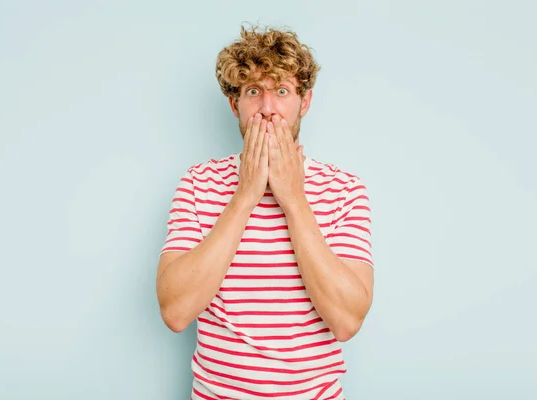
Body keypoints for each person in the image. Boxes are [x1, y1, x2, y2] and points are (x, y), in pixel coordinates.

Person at [156, 24, 375, 400]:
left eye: (282, 91)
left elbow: (346, 321)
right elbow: (175, 312)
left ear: (304, 102)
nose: (268, 109)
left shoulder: (345, 190)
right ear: (234, 104)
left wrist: (294, 199)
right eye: (254, 92)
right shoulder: (197, 184)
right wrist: (245, 195)